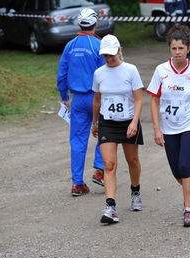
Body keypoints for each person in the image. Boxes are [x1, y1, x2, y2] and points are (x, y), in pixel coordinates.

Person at [147, 24, 190, 227]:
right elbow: (154, 100)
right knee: (176, 172)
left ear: (188, 48)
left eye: (181, 48)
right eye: (174, 48)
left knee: (184, 165)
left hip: (189, 123)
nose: (177, 52)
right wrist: (156, 128)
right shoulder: (161, 70)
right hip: (168, 126)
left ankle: (188, 210)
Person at [92, 34, 145, 224]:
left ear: (119, 50)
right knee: (108, 164)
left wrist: (134, 122)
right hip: (107, 122)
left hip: (129, 121)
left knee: (132, 160)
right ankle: (110, 207)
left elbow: (139, 99)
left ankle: (135, 191)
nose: (109, 58)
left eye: (112, 54)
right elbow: (97, 100)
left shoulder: (130, 70)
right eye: (105, 55)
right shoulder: (99, 73)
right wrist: (94, 122)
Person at [57, 8, 105, 197]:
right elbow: (105, 74)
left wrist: (64, 96)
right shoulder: (98, 45)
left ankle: (77, 183)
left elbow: (62, 72)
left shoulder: (70, 45)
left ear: (78, 24)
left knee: (77, 140)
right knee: (104, 132)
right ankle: (100, 170)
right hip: (96, 98)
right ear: (95, 23)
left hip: (77, 99)